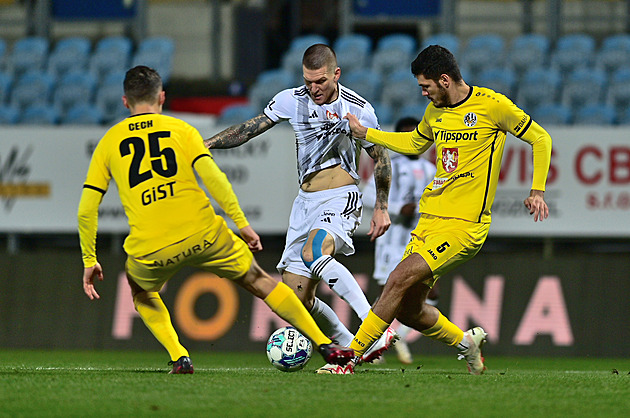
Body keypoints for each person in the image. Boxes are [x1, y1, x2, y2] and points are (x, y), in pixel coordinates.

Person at [78, 65, 354, 374]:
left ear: (125, 102)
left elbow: (87, 208)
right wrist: (243, 224)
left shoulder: (108, 142)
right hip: (205, 233)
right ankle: (324, 343)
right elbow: (214, 179)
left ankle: (179, 356)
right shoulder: (181, 131)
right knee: (259, 280)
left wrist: (90, 259)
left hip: (150, 247)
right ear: (162, 97)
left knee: (140, 291)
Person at [340, 45, 552, 375]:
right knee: (410, 310)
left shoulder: (492, 106)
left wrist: (537, 190)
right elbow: (414, 144)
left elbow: (541, 139)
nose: (423, 93)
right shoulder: (435, 112)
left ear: (444, 80)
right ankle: (467, 343)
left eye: (426, 86)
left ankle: (349, 358)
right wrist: (367, 134)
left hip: (465, 226)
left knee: (396, 280)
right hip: (429, 222)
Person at [204, 44, 398, 374]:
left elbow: (380, 157)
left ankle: (374, 326)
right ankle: (348, 345)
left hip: (341, 195)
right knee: (297, 300)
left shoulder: (358, 109)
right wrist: (206, 144)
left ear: (336, 74)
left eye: (320, 81)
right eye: (308, 81)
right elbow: (249, 129)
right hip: (304, 203)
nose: (314, 89)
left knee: (313, 251)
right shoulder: (291, 100)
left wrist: (381, 206)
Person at [362, 116, 438, 365]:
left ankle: (399, 336)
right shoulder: (387, 165)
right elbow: (366, 197)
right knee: (389, 293)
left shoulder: (431, 170)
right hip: (392, 238)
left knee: (431, 292)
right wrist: (395, 208)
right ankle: (371, 343)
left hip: (419, 240)